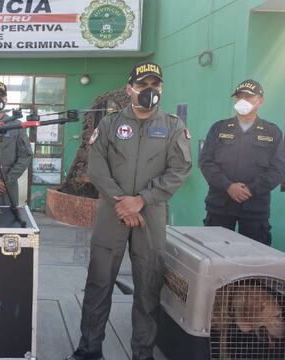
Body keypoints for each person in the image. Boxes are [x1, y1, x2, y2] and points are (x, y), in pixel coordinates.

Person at [67, 62, 192, 360]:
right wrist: (122, 202)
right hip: (113, 213)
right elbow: (96, 168)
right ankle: (89, 348)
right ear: (129, 89)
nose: (149, 91)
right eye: (143, 85)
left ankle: (142, 352)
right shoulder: (109, 124)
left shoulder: (173, 125)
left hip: (151, 214)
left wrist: (142, 200)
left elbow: (180, 168)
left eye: (155, 86)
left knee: (148, 285)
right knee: (98, 283)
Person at [199, 79, 285, 245]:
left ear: (260, 101)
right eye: (239, 96)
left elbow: (278, 170)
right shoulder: (219, 128)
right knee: (216, 257)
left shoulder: (272, 132)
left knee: (255, 260)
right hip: (220, 207)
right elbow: (206, 162)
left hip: (255, 209)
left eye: (248, 96)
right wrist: (228, 187)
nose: (242, 100)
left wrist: (250, 190)